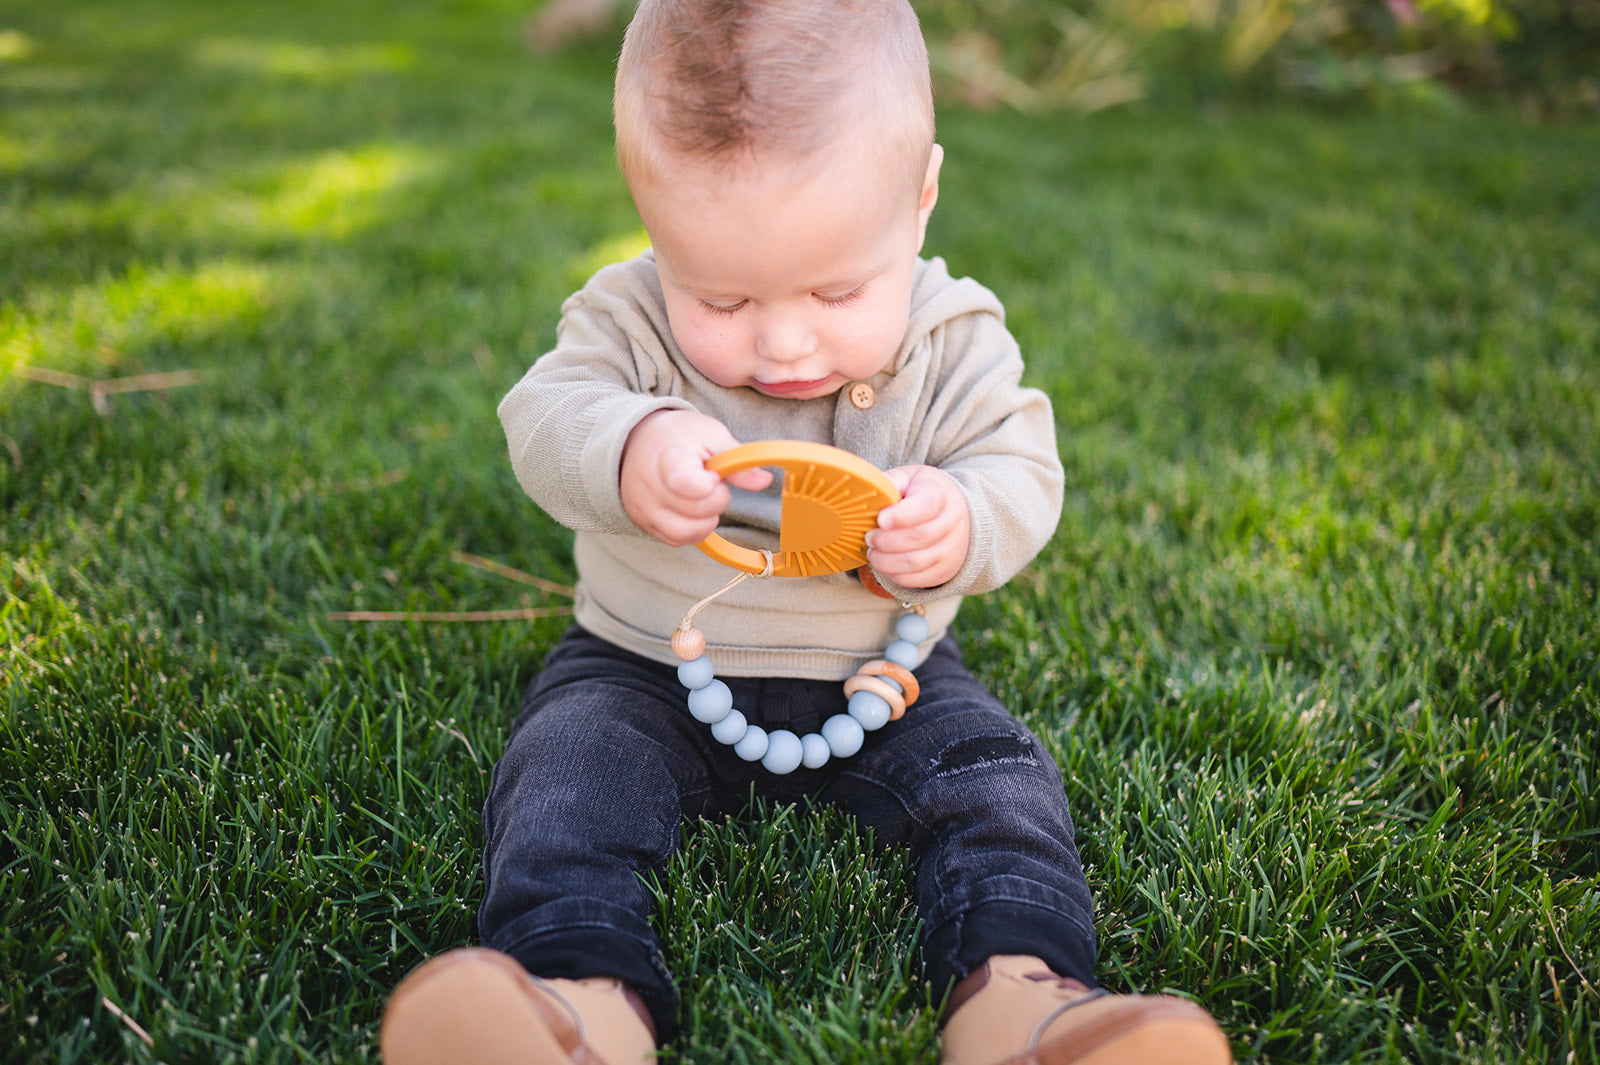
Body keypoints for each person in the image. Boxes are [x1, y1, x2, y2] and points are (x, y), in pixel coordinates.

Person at [380, 2, 1233, 1063]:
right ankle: (574, 1002)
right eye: (722, 295)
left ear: (919, 200)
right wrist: (627, 441)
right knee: (564, 780)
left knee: (999, 787)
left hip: (886, 670)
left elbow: (1024, 470)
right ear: (652, 222)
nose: (784, 342)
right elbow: (542, 416)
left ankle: (1022, 1000)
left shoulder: (950, 337)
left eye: (839, 287)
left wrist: (964, 521)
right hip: (644, 661)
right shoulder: (628, 318)